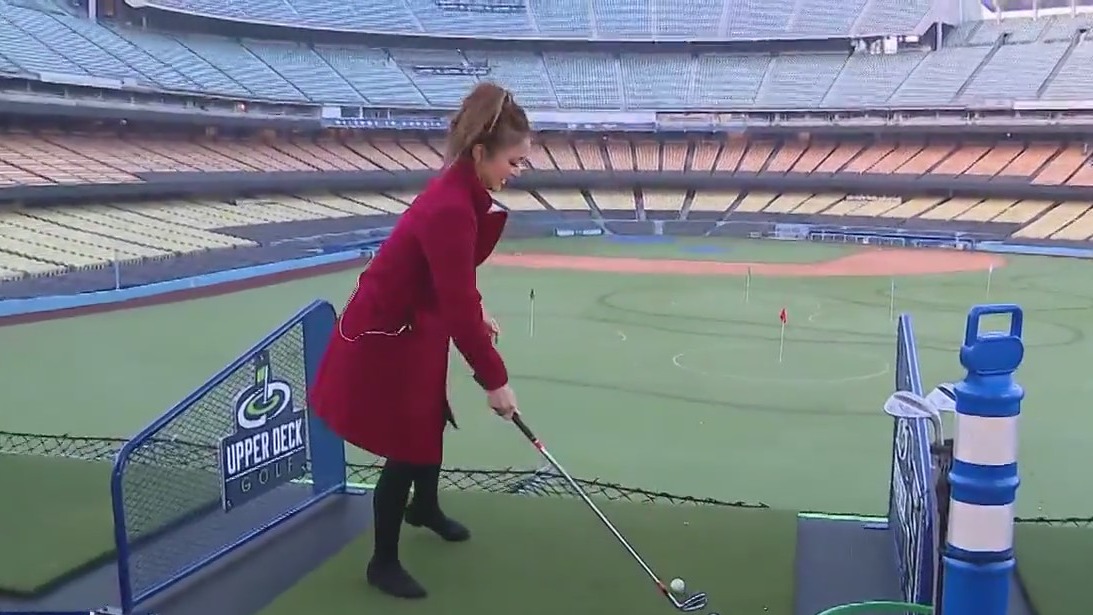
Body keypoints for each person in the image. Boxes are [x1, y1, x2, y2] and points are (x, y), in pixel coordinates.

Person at [309, 82, 532, 600]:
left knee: (430, 414)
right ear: (481, 153)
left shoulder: (462, 189)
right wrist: (495, 381)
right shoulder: (452, 206)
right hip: (386, 333)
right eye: (513, 162)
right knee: (406, 444)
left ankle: (424, 508)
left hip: (416, 321)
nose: (516, 173)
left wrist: (476, 309)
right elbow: (454, 301)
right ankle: (382, 562)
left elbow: (452, 284)